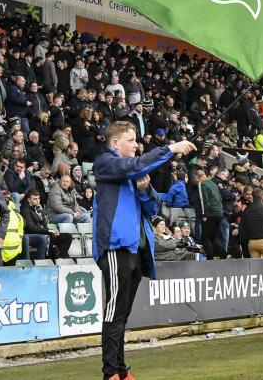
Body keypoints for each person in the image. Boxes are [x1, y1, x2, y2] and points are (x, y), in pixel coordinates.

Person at [93, 120, 195, 380]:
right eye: (131, 140)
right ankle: (110, 373)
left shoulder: (132, 173)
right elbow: (133, 165)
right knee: (115, 311)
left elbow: (152, 210)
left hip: (137, 250)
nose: (136, 145)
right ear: (115, 143)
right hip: (116, 247)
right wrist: (171, 148)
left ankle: (120, 369)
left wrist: (143, 190)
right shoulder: (106, 163)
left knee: (123, 314)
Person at [238, 187, 263, 258]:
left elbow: (241, 229)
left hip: (252, 243)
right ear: (262, 196)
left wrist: (246, 242)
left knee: (256, 267)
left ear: (252, 196)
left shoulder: (246, 211)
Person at [196, 167, 224, 259]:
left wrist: (204, 215)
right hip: (219, 213)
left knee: (205, 238)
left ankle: (210, 259)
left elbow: (203, 200)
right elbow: (220, 198)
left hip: (210, 213)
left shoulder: (201, 183)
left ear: (198, 177)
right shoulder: (213, 183)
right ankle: (224, 254)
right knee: (214, 237)